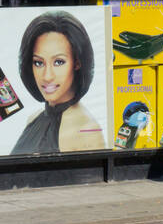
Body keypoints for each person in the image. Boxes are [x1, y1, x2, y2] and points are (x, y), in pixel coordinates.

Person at [11, 11, 106, 154]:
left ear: (77, 63)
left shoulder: (87, 131)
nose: (47, 76)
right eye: (38, 63)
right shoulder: (33, 120)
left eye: (58, 62)